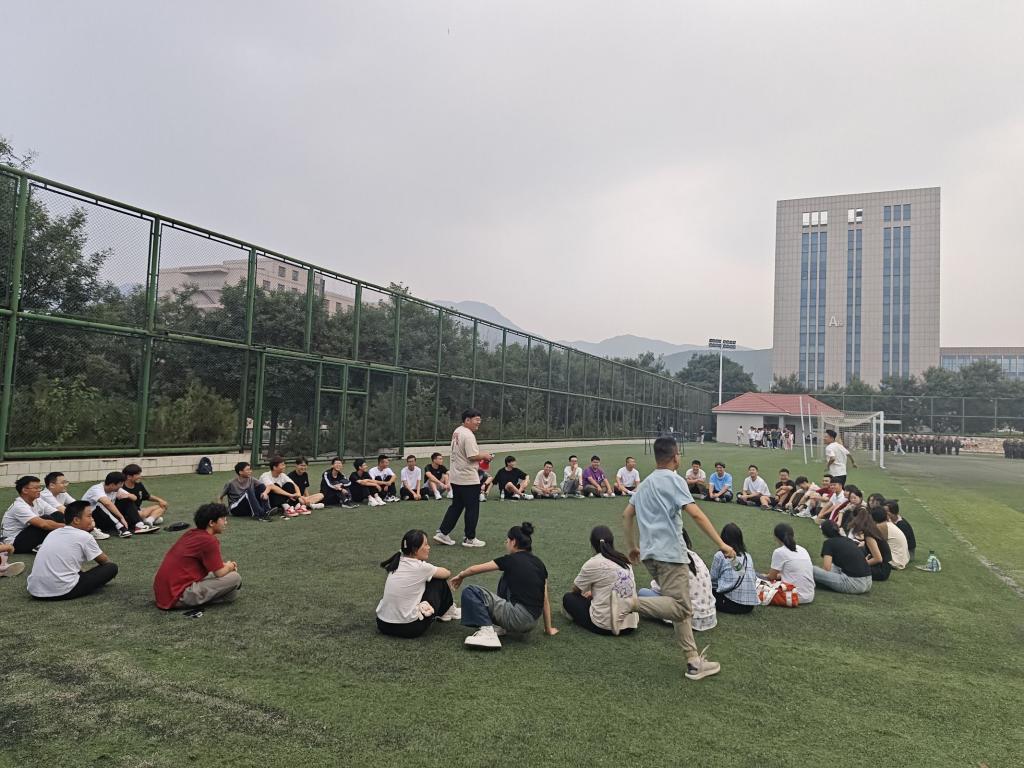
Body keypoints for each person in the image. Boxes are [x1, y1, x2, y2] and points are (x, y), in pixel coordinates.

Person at [620, 436, 737, 680]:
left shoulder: (645, 483)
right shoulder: (675, 480)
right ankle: (628, 604)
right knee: (683, 607)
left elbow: (627, 514)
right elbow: (697, 515)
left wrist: (632, 547)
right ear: (675, 457)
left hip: (650, 556)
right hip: (671, 555)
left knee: (677, 608)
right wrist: (722, 544)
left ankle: (693, 662)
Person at [450, 522, 557, 649]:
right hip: (532, 622)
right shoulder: (539, 564)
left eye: (507, 540)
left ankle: (488, 634)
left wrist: (461, 575)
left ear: (513, 542)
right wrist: (548, 628)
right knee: (506, 577)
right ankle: (500, 627)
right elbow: (545, 599)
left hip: (517, 617)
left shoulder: (510, 560)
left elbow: (475, 569)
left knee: (470, 591)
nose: (506, 543)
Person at [153, 503, 242, 610]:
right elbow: (219, 572)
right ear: (211, 523)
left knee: (231, 592)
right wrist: (231, 566)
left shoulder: (191, 533)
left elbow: (212, 565)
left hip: (164, 593)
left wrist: (225, 566)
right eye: (223, 519)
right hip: (177, 595)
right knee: (235, 578)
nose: (226, 522)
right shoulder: (209, 540)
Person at [376, 529, 460, 637]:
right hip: (409, 628)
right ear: (415, 550)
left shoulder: (396, 562)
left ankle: (446, 611)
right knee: (438, 580)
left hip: (382, 624)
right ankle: (447, 611)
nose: (429, 547)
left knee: (428, 579)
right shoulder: (420, 567)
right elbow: (446, 573)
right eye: (425, 544)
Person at [27, 501, 118, 600]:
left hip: (35, 591)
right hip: (62, 592)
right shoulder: (84, 536)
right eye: (89, 516)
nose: (92, 519)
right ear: (76, 520)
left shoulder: (53, 533)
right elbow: (104, 561)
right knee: (111, 567)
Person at [563, 525, 638, 635]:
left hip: (606, 626)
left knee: (568, 598)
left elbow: (576, 590)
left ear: (592, 544)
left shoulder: (593, 563)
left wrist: (590, 593)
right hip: (630, 625)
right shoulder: (624, 560)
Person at [434, 409, 493, 548]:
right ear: (467, 420)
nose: (479, 422)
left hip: (456, 476)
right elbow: (472, 456)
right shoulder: (468, 435)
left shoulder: (457, 431)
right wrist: (485, 455)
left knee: (457, 505)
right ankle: (470, 538)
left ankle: (443, 533)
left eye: (479, 419)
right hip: (467, 477)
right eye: (476, 419)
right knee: (472, 508)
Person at [638, 529, 717, 632]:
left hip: (689, 616)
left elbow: (659, 589)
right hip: (709, 615)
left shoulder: (670, 559)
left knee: (642, 593)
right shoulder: (694, 555)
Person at [2, 476, 65, 554]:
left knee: (57, 516)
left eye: (39, 487)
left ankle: (45, 544)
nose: (39, 490)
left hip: (28, 535)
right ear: (25, 490)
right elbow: (43, 525)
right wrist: (69, 527)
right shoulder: (19, 506)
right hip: (15, 543)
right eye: (36, 488)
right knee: (45, 519)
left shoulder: (38, 500)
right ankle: (41, 545)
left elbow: (57, 514)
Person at [708, 523, 759, 614]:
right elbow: (748, 576)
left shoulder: (720, 555)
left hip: (730, 603)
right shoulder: (747, 556)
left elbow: (713, 580)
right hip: (749, 607)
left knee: (705, 589)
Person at [812, 520, 873, 594]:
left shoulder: (829, 543)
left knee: (812, 569)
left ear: (823, 532)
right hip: (868, 582)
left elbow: (826, 569)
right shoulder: (849, 540)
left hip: (853, 584)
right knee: (835, 566)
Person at [761, 523, 815, 604]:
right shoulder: (803, 549)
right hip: (809, 596)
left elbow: (771, 577)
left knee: (756, 576)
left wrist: (765, 576)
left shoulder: (779, 552)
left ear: (776, 537)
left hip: (792, 595)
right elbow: (794, 572)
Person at [115, 463, 168, 531]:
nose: (140, 476)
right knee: (145, 514)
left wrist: (160, 500)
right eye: (137, 474)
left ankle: (149, 521)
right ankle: (149, 519)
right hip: (128, 514)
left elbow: (147, 496)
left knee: (163, 505)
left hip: (139, 511)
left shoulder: (138, 484)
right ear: (129, 476)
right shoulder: (121, 487)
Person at [83, 472, 135, 537]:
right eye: (121, 483)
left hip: (107, 517)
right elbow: (107, 503)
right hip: (92, 517)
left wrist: (127, 496)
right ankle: (121, 528)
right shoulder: (96, 489)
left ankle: (138, 525)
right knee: (100, 504)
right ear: (112, 485)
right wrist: (121, 517)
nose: (122, 485)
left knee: (127, 500)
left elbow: (134, 498)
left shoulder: (116, 489)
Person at [847, 508, 892, 581]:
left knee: (850, 569)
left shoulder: (869, 536)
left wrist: (862, 565)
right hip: (883, 566)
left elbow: (878, 559)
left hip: (881, 570)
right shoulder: (872, 529)